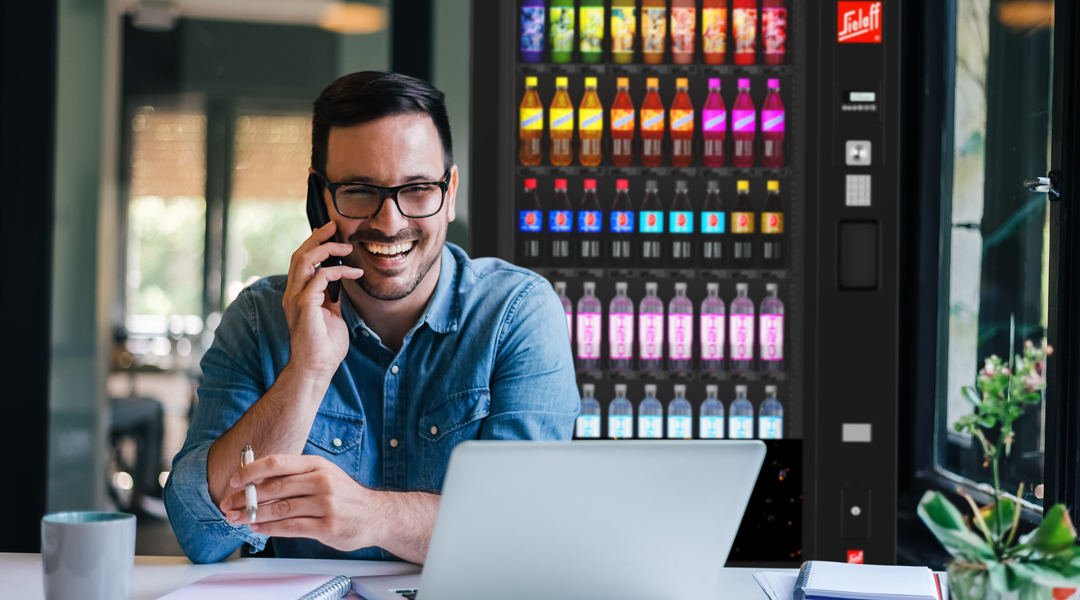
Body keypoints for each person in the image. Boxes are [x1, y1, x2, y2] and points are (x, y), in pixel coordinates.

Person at [163, 71, 579, 564]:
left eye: (418, 189)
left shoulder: (517, 314)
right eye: (360, 191)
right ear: (320, 198)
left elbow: (526, 531)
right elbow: (200, 534)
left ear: (450, 192)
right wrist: (308, 373)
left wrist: (371, 515)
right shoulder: (259, 319)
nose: (390, 221)